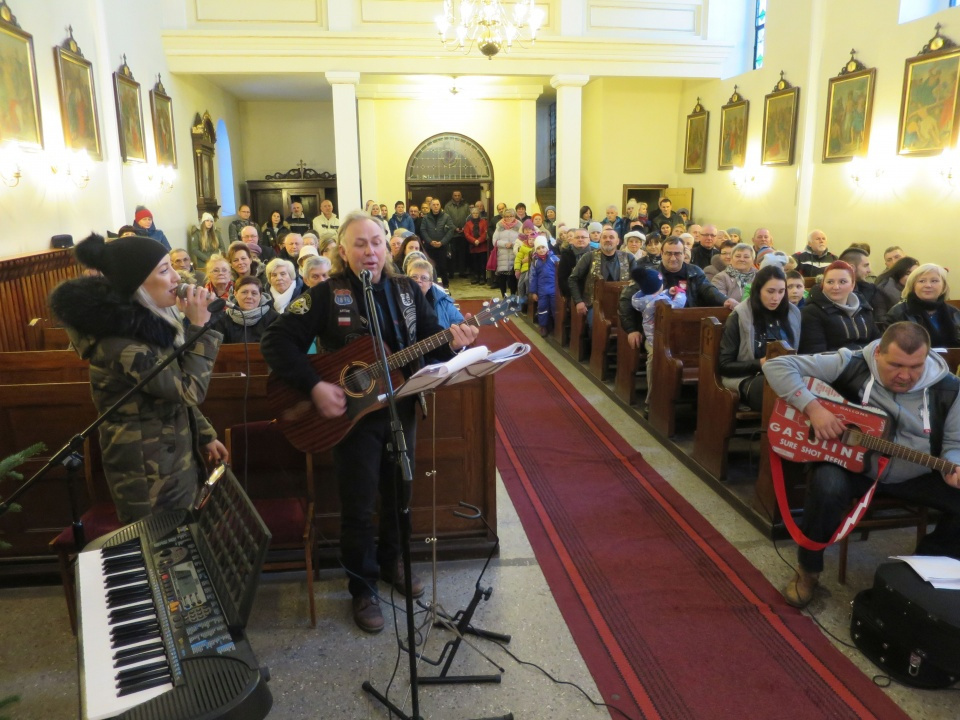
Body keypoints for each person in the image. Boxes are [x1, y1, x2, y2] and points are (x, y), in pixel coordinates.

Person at [260, 211, 479, 633]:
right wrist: (314, 386)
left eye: (376, 242)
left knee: (401, 494)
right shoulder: (325, 295)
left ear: (389, 247)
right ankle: (361, 588)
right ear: (343, 251)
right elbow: (276, 340)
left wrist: (454, 343)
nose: (370, 251)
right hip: (352, 419)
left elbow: (428, 345)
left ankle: (393, 562)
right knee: (359, 505)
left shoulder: (408, 292)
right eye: (359, 244)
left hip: (401, 411)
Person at [763, 322, 960, 607]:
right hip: (852, 463)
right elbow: (777, 366)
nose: (905, 376)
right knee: (825, 485)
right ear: (878, 353)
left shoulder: (950, 389)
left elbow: (954, 444)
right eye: (895, 365)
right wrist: (813, 408)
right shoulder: (852, 363)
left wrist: (953, 465)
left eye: (916, 367)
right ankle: (808, 571)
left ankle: (922, 569)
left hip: (914, 471)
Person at [48, 233, 227, 523]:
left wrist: (205, 434)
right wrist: (198, 327)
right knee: (164, 553)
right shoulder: (121, 342)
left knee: (186, 537)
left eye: (172, 267)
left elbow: (172, 383)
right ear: (137, 283)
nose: (176, 279)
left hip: (169, 457)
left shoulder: (146, 322)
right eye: (164, 270)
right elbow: (188, 389)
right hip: (147, 474)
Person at [719, 266, 800, 411]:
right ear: (758, 290)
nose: (776, 298)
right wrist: (760, 363)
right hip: (747, 377)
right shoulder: (740, 316)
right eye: (770, 291)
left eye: (781, 291)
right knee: (774, 387)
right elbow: (725, 366)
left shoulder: (793, 313)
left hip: (786, 375)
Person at [620, 266, 687, 408]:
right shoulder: (657, 303)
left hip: (655, 336)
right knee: (656, 359)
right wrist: (681, 293)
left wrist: (668, 292)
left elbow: (657, 295)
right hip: (657, 339)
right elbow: (677, 305)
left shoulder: (641, 298)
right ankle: (653, 400)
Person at [799, 260, 880, 354]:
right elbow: (816, 354)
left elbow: (877, 343)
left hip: (867, 363)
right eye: (830, 282)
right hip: (834, 366)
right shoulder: (812, 312)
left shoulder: (864, 308)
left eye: (842, 282)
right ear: (823, 285)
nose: (836, 287)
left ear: (852, 285)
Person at [569, 226, 636, 330]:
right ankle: (595, 346)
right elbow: (573, 279)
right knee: (596, 326)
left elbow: (636, 282)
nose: (608, 240)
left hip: (622, 303)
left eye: (611, 237)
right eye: (604, 237)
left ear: (618, 241)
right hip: (594, 304)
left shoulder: (628, 258)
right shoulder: (589, 256)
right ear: (600, 240)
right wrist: (578, 301)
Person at [886, 264, 960, 347]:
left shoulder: (955, 313)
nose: (928, 285)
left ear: (943, 286)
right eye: (922, 281)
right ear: (913, 286)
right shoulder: (898, 312)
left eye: (934, 281)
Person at [213, 275, 279, 343]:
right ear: (235, 294)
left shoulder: (274, 319)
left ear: (260, 296)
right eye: (244, 292)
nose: (249, 297)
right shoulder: (222, 319)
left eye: (254, 293)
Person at [407, 258, 464, 328]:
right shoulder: (398, 302)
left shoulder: (443, 302)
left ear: (430, 284)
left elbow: (459, 322)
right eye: (414, 277)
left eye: (424, 278)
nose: (418, 281)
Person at [872, 256, 919, 322]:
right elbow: (880, 319)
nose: (912, 277)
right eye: (908, 273)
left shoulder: (919, 290)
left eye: (916, 273)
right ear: (899, 273)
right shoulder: (882, 290)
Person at [528, 236, 559, 337]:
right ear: (536, 250)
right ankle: (543, 326)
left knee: (555, 308)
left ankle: (556, 327)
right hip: (542, 290)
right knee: (542, 308)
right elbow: (533, 277)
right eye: (538, 248)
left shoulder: (554, 259)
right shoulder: (535, 262)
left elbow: (560, 273)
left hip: (554, 289)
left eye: (543, 247)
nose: (541, 250)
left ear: (547, 248)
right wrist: (533, 292)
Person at [420, 199, 455, 285]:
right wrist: (430, 241)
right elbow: (423, 230)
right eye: (434, 205)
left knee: (443, 267)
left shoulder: (446, 217)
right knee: (430, 267)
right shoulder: (426, 218)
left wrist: (442, 242)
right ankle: (431, 285)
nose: (436, 206)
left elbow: (451, 230)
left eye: (437, 204)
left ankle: (445, 285)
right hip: (429, 247)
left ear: (440, 206)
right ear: (430, 206)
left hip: (442, 247)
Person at [492, 208, 520, 298]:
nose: (508, 218)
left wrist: (513, 244)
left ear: (514, 216)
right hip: (502, 255)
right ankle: (503, 296)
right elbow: (494, 241)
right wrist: (504, 244)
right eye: (506, 216)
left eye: (511, 216)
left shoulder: (519, 226)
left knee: (512, 278)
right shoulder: (499, 226)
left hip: (514, 254)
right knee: (502, 278)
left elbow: (522, 239)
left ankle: (513, 296)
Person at [463, 203, 488, 285]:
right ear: (471, 214)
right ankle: (476, 277)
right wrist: (474, 241)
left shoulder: (484, 222)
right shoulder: (468, 223)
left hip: (482, 246)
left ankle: (482, 278)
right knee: (474, 263)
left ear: (479, 214)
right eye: (474, 213)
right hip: (473, 247)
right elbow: (467, 234)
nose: (475, 214)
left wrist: (479, 240)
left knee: (482, 263)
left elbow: (485, 233)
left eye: (477, 213)